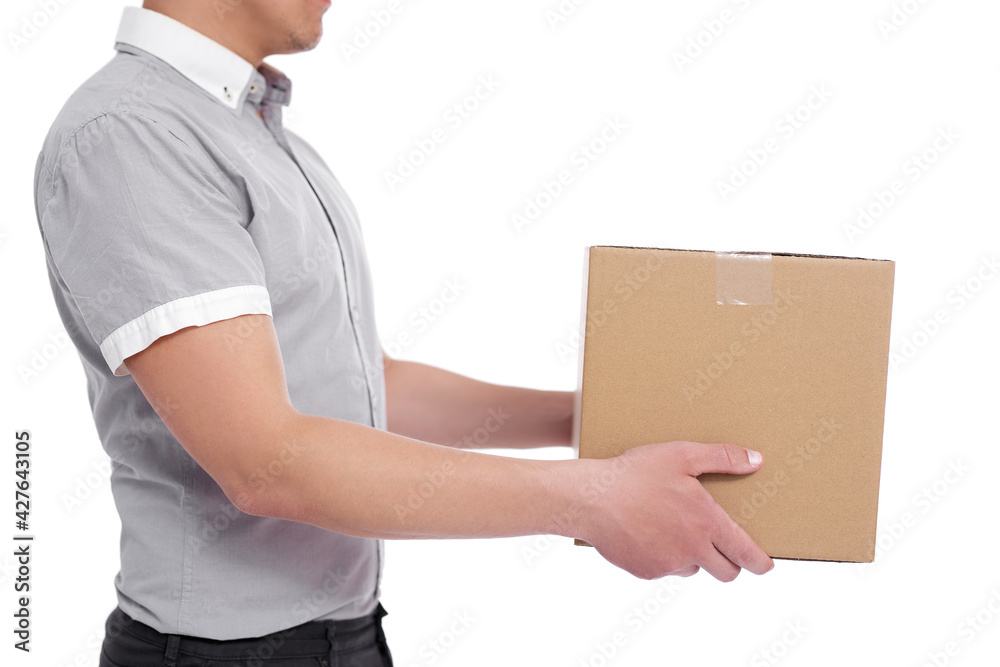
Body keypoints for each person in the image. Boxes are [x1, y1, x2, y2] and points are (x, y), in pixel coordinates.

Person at [32, 2, 774, 665]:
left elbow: (370, 386)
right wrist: (592, 498)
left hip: (348, 632)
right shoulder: (132, 134)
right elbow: (265, 461)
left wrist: (598, 419)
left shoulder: (255, 135)